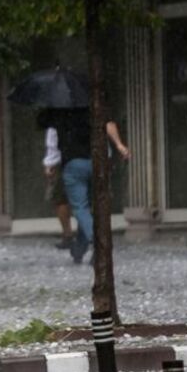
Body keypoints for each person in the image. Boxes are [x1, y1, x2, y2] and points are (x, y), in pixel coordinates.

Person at [51, 108, 131, 264]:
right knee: (89, 209)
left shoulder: (60, 111)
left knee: (80, 208)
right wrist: (119, 145)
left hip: (74, 163)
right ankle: (79, 249)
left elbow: (53, 140)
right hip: (99, 161)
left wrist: (50, 162)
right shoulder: (95, 105)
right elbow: (108, 123)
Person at [37, 110, 73, 249]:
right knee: (82, 200)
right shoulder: (84, 117)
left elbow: (52, 147)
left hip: (60, 163)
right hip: (82, 159)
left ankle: (68, 234)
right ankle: (85, 233)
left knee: (60, 199)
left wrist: (49, 165)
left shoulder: (55, 123)